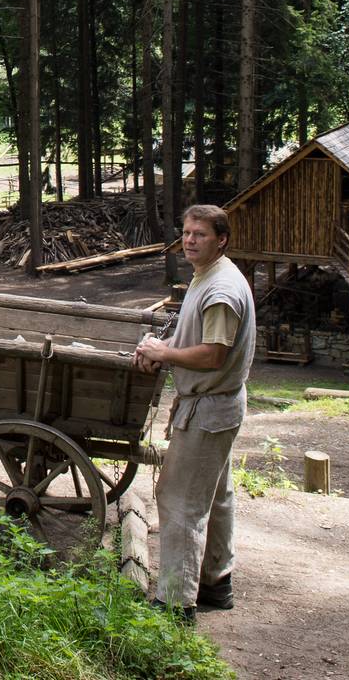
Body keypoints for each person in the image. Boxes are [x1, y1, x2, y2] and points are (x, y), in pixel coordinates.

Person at [133, 204, 256, 622]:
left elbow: (212, 355)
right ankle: (216, 582)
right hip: (217, 407)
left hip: (208, 409)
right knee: (216, 497)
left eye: (199, 234)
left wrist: (163, 353)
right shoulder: (211, 276)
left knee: (179, 499)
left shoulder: (221, 291)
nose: (189, 240)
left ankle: (175, 603)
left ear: (221, 239)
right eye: (186, 232)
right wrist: (162, 346)